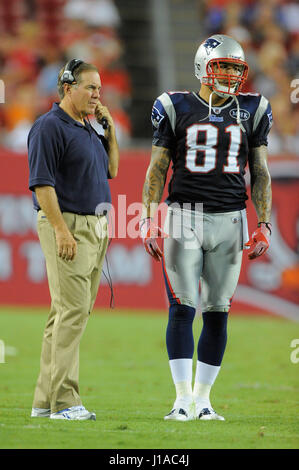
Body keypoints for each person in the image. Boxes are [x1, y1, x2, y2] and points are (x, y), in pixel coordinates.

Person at [140, 35, 272, 421]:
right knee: (182, 307)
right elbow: (157, 168)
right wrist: (148, 219)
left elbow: (260, 172)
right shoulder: (175, 105)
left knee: (218, 312)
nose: (230, 75)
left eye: (236, 67)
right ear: (203, 66)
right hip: (184, 214)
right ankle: (181, 399)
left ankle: (203, 400)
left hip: (231, 219)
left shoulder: (253, 108)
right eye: (223, 66)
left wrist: (263, 223)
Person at [28, 59, 119, 420]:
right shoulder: (50, 127)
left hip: (94, 227)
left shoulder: (86, 128)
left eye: (99, 88)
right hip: (68, 225)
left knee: (64, 314)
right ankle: (64, 402)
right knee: (73, 313)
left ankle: (42, 401)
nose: (97, 95)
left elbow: (111, 170)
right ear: (68, 88)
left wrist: (110, 133)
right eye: (90, 87)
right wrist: (61, 230)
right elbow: (41, 184)